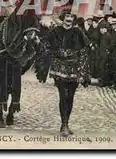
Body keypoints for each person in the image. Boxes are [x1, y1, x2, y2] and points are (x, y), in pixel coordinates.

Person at [38, 9, 91, 137]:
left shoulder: (78, 32)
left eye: (71, 16)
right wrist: (53, 53)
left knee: (71, 96)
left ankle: (66, 122)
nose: (69, 19)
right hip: (60, 67)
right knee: (63, 95)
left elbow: (86, 47)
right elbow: (45, 44)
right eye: (67, 16)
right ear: (63, 18)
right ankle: (64, 124)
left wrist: (84, 68)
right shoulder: (55, 31)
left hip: (74, 67)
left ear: (73, 19)